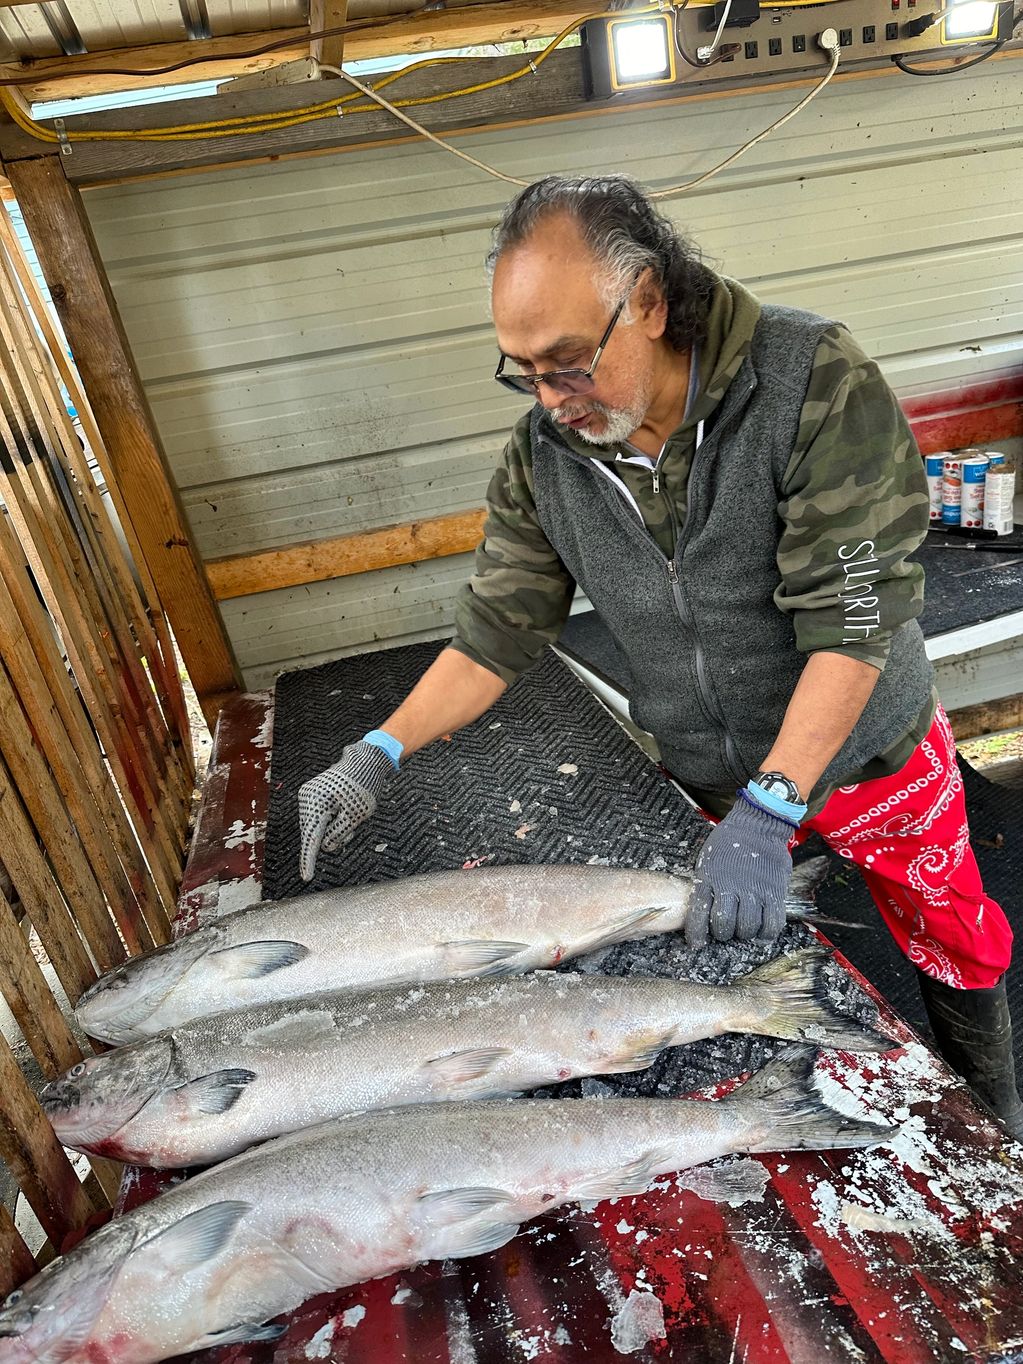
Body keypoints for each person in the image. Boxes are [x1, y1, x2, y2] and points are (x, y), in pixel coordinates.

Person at [297, 174, 1021, 1137]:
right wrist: (376, 752)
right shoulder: (545, 457)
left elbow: (851, 619)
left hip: (867, 752)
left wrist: (774, 807)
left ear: (645, 299)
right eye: (522, 370)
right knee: (736, 954)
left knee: (944, 927)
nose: (551, 400)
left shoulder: (809, 381)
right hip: (710, 772)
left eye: (566, 362)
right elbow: (497, 631)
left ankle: (991, 1116)